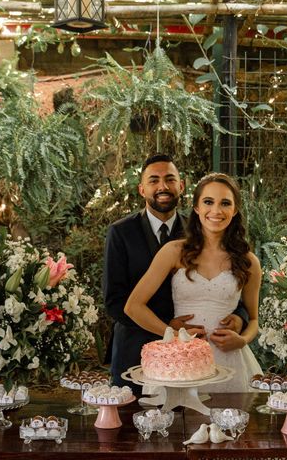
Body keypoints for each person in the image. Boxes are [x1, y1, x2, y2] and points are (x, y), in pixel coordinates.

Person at [103, 155, 248, 394]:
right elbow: (114, 301)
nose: (163, 186)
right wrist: (167, 328)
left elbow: (232, 288)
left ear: (181, 186)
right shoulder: (120, 233)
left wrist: (240, 318)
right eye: (154, 180)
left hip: (197, 354)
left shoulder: (201, 229)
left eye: (170, 179)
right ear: (142, 189)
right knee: (132, 424)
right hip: (136, 347)